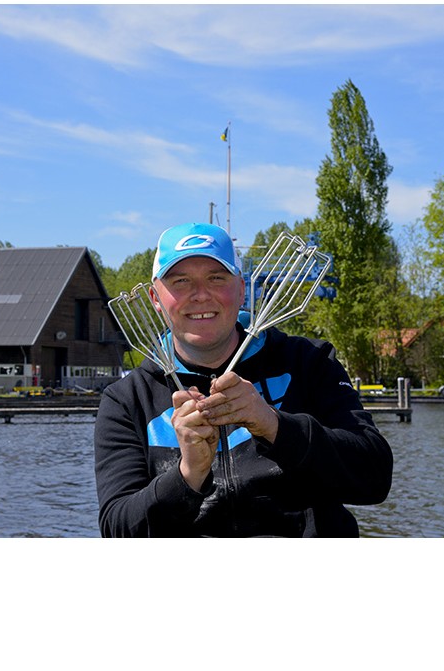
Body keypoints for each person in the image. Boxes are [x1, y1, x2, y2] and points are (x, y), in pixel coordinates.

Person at [94, 222, 393, 537]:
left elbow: (374, 478)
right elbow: (118, 529)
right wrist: (187, 476)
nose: (200, 295)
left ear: (241, 289)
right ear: (156, 298)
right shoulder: (127, 400)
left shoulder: (309, 362)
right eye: (180, 281)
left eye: (216, 278)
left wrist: (275, 426)